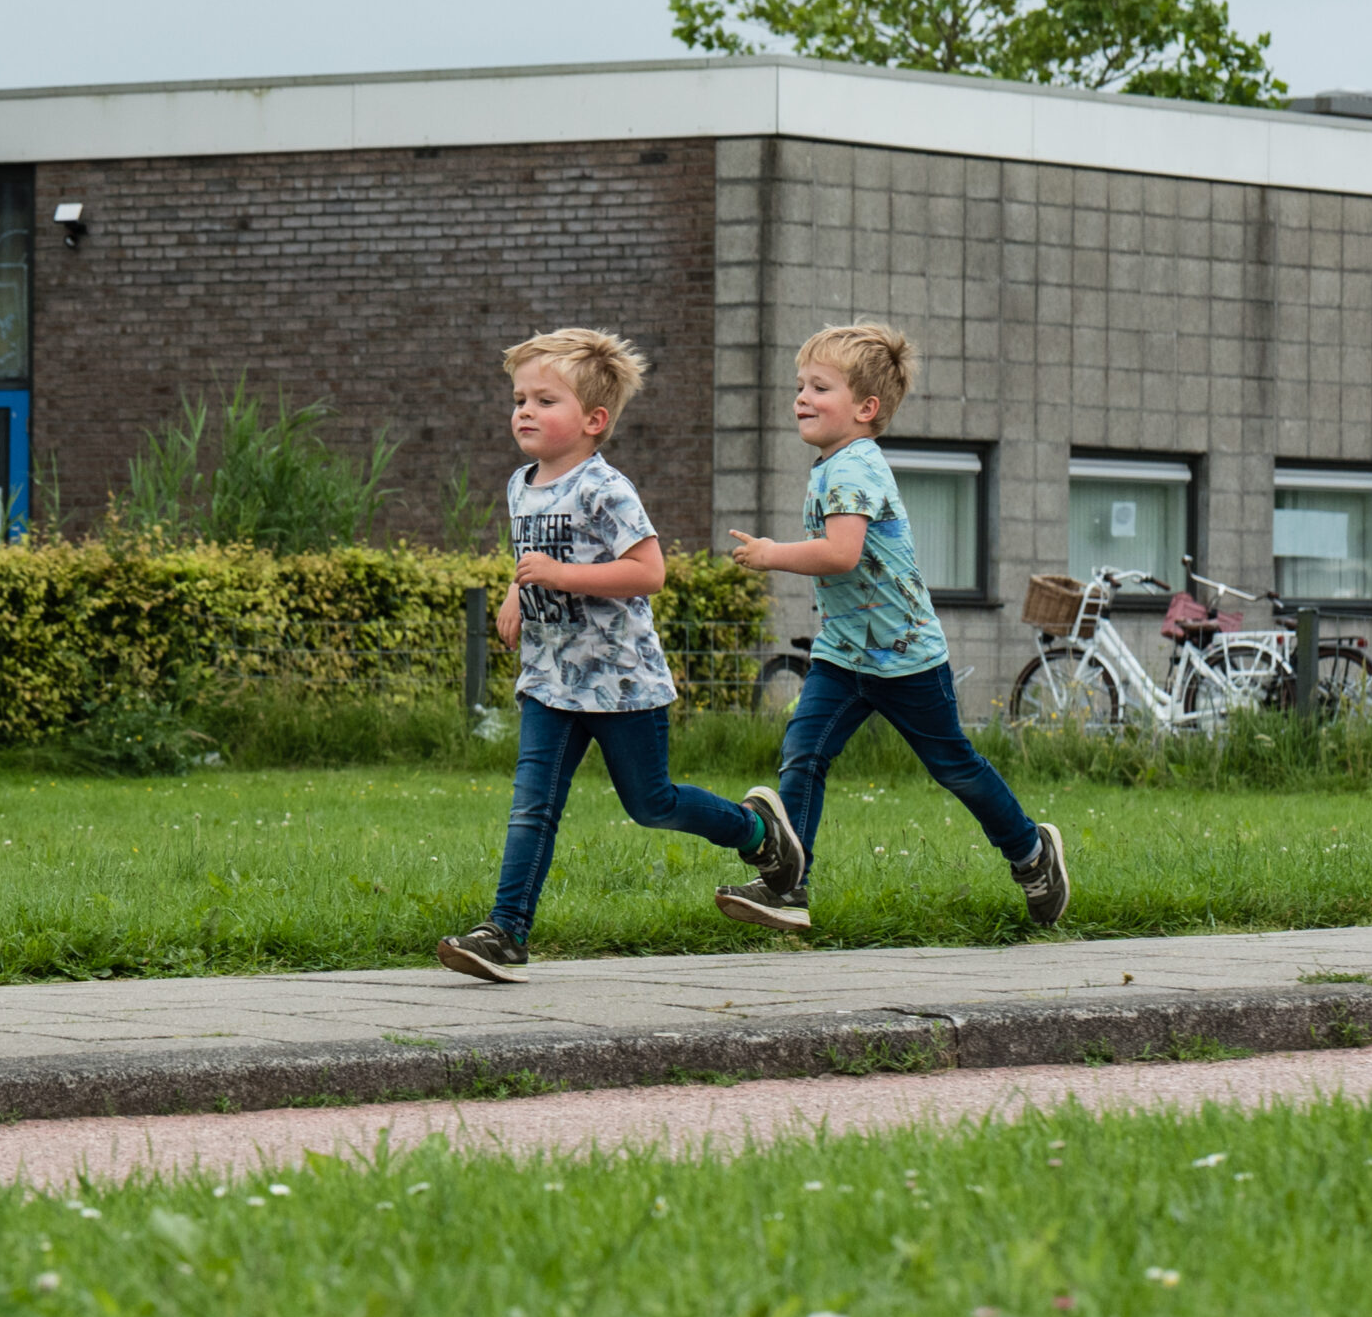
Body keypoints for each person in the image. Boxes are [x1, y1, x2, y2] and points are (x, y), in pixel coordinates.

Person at [435, 328, 804, 982]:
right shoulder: (522, 486)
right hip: (550, 682)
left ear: (593, 420)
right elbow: (540, 564)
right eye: (519, 398)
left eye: (544, 400)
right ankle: (506, 931)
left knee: (651, 802)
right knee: (533, 805)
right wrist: (519, 593)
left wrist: (558, 576)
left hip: (620, 682)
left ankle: (754, 832)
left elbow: (648, 572)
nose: (524, 410)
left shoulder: (608, 489)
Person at [718, 323, 1069, 931]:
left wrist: (775, 553)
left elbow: (841, 553)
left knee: (953, 766)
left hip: (905, 656)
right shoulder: (830, 465)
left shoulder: (854, 467)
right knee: (804, 754)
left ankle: (1032, 854)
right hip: (843, 654)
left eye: (819, 387)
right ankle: (788, 888)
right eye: (800, 385)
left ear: (865, 408)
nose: (801, 396)